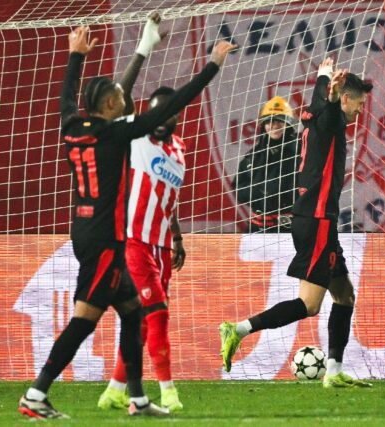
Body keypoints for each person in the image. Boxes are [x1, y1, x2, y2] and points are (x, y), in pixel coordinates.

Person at [17, 19, 235, 419]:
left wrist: (75, 56)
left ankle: (135, 398)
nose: (126, 96)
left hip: (87, 230)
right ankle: (36, 392)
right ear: (113, 107)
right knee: (84, 321)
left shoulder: (72, 125)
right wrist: (213, 66)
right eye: (121, 94)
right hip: (104, 239)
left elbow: (68, 96)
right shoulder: (115, 135)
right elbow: (173, 105)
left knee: (133, 312)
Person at [219, 58, 373, 388]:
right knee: (310, 304)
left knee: (344, 296)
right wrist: (330, 92)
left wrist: (321, 75)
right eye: (358, 104)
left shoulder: (318, 114)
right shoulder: (331, 117)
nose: (361, 111)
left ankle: (333, 371)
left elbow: (322, 98)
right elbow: (329, 103)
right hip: (316, 219)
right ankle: (239, 329)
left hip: (319, 220)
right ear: (344, 99)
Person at [96, 86, 188, 413]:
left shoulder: (180, 150)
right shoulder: (135, 141)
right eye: (155, 112)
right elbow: (122, 105)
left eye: (167, 112)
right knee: (157, 314)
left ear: (177, 115)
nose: (161, 119)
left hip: (162, 245)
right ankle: (169, 393)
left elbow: (168, 200)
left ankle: (114, 390)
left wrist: (176, 237)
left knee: (145, 323)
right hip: (134, 240)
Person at [234, 96, 300, 232]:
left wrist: (273, 190)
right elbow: (238, 188)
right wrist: (259, 191)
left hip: (291, 228)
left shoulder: (301, 151)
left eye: (279, 121)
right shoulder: (253, 156)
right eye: (270, 121)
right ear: (263, 125)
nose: (275, 126)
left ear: (288, 124)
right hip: (257, 228)